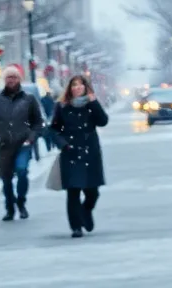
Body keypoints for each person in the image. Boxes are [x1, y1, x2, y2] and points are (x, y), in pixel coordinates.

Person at [50, 74, 109, 238]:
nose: (77, 88)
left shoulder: (90, 105)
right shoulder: (62, 106)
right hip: (71, 152)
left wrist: (94, 102)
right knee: (73, 191)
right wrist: (63, 144)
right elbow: (53, 128)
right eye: (74, 85)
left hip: (90, 151)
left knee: (93, 192)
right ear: (69, 88)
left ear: (86, 87)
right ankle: (76, 226)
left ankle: (86, 211)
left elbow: (103, 121)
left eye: (81, 85)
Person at [0, 65, 44, 221]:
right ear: (4, 80)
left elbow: (38, 122)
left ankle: (21, 202)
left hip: (23, 144)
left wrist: (31, 137)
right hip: (4, 146)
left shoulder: (29, 99)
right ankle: (10, 207)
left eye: (14, 77)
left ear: (19, 79)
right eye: (8, 77)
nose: (11, 80)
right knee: (6, 178)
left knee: (22, 170)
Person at [39, 85, 57, 153]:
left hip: (45, 118)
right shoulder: (51, 100)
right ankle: (52, 144)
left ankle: (49, 147)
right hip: (50, 118)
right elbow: (53, 109)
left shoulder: (42, 99)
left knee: (46, 134)